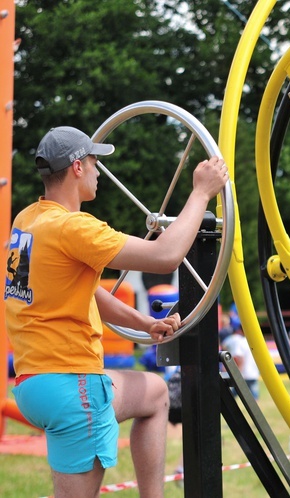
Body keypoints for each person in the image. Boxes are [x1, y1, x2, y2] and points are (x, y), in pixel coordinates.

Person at [5, 126, 229, 497]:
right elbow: (165, 256)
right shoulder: (75, 228)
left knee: (155, 393)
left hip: (34, 384)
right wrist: (201, 193)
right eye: (95, 162)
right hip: (71, 385)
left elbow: (88, 291)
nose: (98, 172)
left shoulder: (28, 220)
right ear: (77, 167)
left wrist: (145, 323)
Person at [221, 326, 261, 399]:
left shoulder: (239, 341)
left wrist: (237, 371)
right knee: (254, 397)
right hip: (253, 373)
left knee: (233, 394)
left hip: (244, 373)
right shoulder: (252, 341)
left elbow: (238, 357)